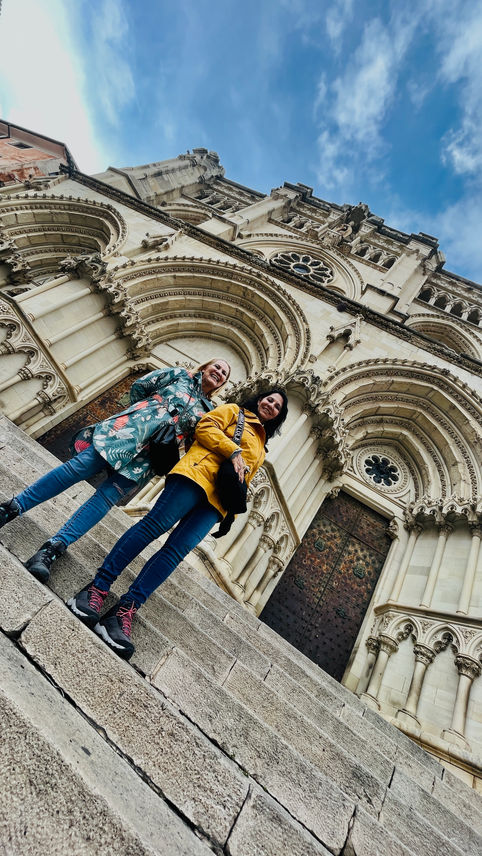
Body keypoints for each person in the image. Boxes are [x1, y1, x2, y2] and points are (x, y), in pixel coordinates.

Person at [67, 388, 288, 659]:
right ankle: (97, 588)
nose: (271, 405)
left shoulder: (262, 448)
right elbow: (204, 427)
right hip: (195, 476)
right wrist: (232, 450)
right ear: (259, 399)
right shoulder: (234, 412)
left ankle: (124, 611)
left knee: (174, 554)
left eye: (277, 406)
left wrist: (231, 514)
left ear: (278, 416)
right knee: (150, 528)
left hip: (216, 503)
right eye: (269, 399)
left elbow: (245, 479)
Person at [0, 359, 231, 581]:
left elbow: (192, 444)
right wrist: (141, 416)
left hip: (148, 460)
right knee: (75, 469)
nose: (219, 372)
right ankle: (11, 509)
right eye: (217, 366)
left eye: (224, 374)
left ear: (222, 384)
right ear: (206, 367)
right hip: (124, 434)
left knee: (105, 499)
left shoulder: (208, 411)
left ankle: (51, 551)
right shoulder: (180, 375)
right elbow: (140, 386)